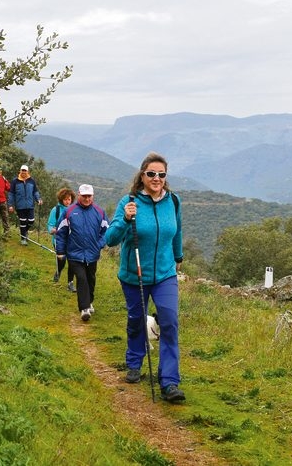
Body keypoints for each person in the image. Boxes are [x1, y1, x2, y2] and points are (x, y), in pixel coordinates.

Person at [105, 152, 185, 402]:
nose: (157, 178)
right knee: (137, 319)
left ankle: (170, 382)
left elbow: (177, 230)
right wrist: (126, 219)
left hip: (164, 274)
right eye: (152, 173)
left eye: (162, 174)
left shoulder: (173, 201)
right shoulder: (128, 202)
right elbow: (110, 240)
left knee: (169, 322)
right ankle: (134, 362)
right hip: (134, 274)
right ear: (142, 175)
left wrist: (178, 257)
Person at [55, 184, 108, 322]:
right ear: (78, 195)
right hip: (74, 253)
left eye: (89, 196)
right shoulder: (69, 211)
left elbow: (107, 231)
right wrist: (60, 251)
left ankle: (89, 301)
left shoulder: (99, 212)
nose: (86, 198)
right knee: (81, 278)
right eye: (84, 196)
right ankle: (84, 308)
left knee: (91, 278)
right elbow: (61, 233)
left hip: (92, 254)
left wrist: (99, 244)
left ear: (93, 196)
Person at [48, 187, 77, 292]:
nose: (67, 201)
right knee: (62, 260)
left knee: (72, 262)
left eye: (69, 199)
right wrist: (53, 230)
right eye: (65, 199)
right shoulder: (56, 210)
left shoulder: (74, 210)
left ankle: (70, 283)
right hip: (58, 240)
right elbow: (50, 225)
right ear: (61, 199)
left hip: (72, 241)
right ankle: (58, 271)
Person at [8, 164, 43, 245]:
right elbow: (11, 194)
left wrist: (38, 199)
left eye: (25, 171)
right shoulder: (15, 181)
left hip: (30, 205)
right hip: (20, 206)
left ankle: (24, 232)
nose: (23, 172)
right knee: (23, 221)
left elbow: (35, 192)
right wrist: (10, 205)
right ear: (20, 171)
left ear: (28, 172)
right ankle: (23, 239)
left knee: (31, 220)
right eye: (22, 170)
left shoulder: (32, 181)